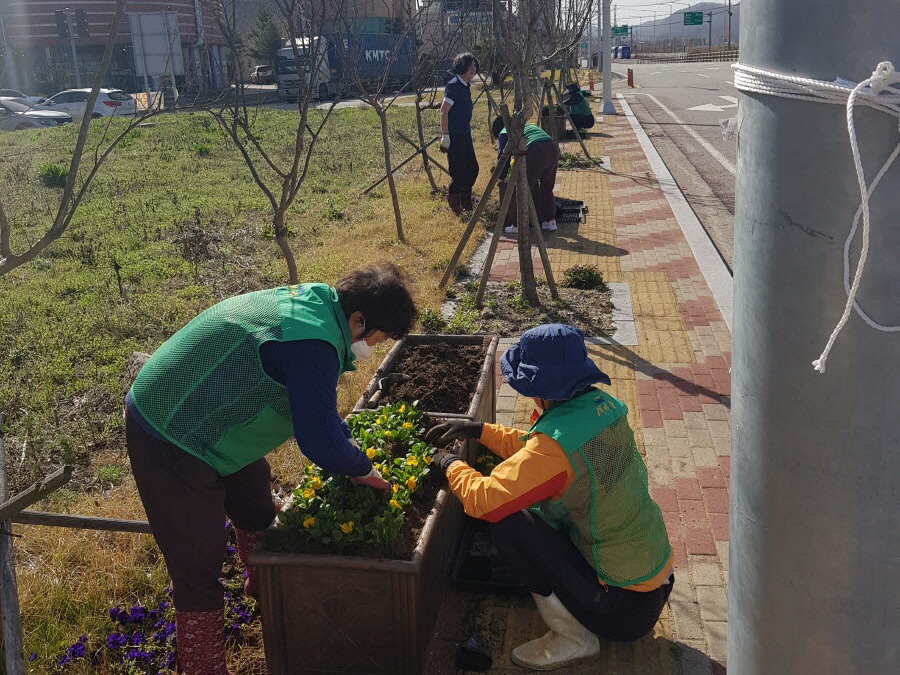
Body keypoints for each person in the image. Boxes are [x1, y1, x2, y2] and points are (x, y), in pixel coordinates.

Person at [125, 263, 417, 675]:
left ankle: (264, 585)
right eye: (376, 338)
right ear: (358, 319)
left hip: (214, 410)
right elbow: (317, 433)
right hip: (170, 428)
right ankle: (202, 666)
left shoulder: (320, 305)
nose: (372, 348)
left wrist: (350, 457)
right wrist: (361, 469)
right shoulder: (313, 343)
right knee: (197, 563)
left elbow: (319, 415)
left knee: (254, 498)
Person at [426, 324, 674, 672]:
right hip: (654, 581)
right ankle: (571, 601)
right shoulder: (602, 405)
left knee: (508, 522)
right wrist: (480, 431)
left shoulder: (555, 448)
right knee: (531, 508)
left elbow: (485, 499)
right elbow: (538, 449)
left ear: (537, 388)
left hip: (621, 613)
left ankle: (575, 637)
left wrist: (450, 464)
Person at [491, 117, 561, 234]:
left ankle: (519, 225)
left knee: (523, 188)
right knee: (547, 188)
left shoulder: (504, 132)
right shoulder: (526, 125)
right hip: (552, 147)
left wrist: (501, 176)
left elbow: (503, 157)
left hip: (535, 150)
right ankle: (549, 221)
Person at [440, 52, 480, 215]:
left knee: (472, 169)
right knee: (458, 172)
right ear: (461, 66)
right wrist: (445, 135)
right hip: (454, 136)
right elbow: (443, 111)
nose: (473, 69)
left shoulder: (465, 85)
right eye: (469, 66)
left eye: (474, 66)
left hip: (465, 133)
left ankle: (466, 201)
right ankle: (457, 209)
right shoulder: (454, 86)